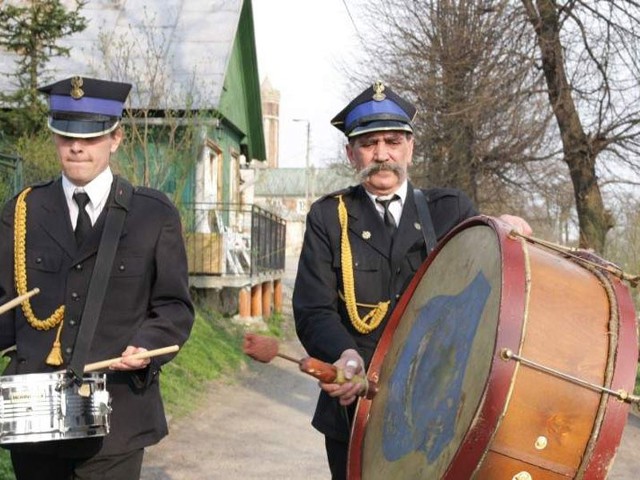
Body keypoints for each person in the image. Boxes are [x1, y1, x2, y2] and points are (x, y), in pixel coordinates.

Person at [292, 81, 531, 479]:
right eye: (369, 144)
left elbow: (488, 279)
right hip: (358, 408)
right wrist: (344, 355)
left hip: (438, 413)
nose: (382, 155)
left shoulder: (450, 211)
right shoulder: (328, 217)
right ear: (351, 154)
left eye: (392, 141)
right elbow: (313, 309)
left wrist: (501, 230)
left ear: (410, 148)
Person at [0, 76, 195, 479]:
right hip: (35, 421)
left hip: (116, 420)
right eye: (66, 136)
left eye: (90, 137)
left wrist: (149, 345)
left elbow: (174, 307)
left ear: (116, 138)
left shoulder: (152, 215)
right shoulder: (21, 212)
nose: (76, 147)